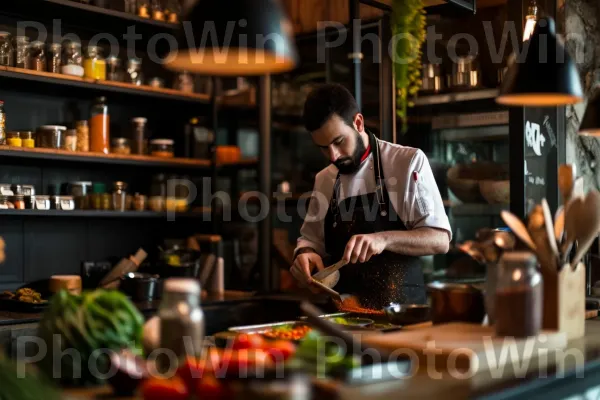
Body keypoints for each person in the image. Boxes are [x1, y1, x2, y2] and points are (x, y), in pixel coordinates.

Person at [290, 84, 451, 308]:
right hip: (344, 320)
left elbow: (439, 241)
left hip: (401, 321)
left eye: (338, 142)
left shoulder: (407, 162)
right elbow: (311, 241)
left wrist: (383, 239)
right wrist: (305, 254)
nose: (333, 156)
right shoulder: (324, 179)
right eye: (323, 148)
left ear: (358, 123)